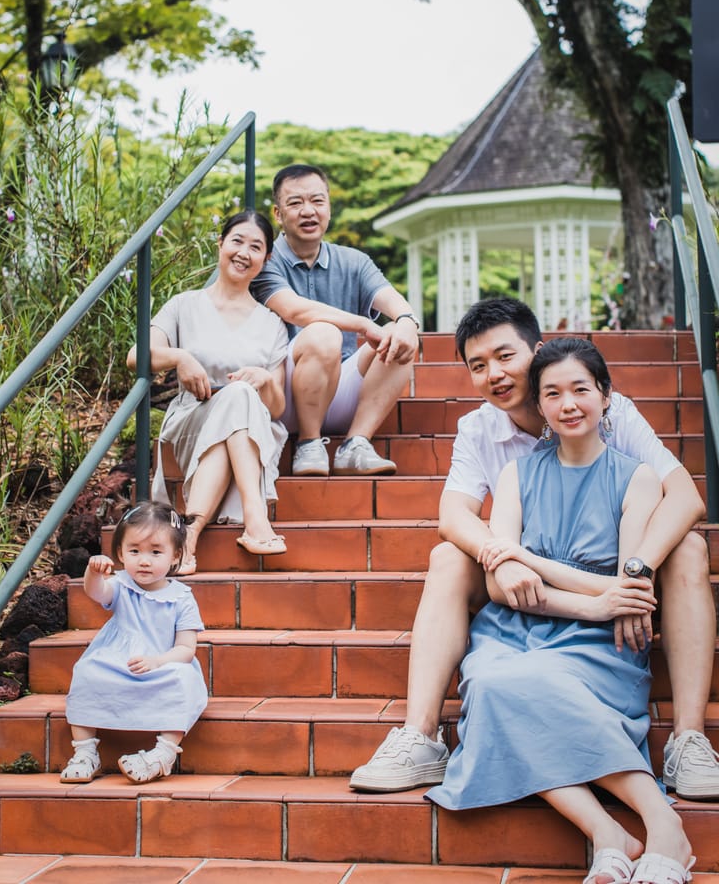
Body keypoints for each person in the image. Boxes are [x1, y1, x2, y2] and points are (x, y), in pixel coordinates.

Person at [351, 297, 719, 802]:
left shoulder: (607, 412)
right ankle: (420, 735)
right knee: (446, 558)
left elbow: (685, 497)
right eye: (477, 366)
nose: (494, 375)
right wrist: (499, 555)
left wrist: (637, 569)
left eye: (505, 356)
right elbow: (453, 515)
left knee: (691, 550)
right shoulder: (479, 428)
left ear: (538, 350)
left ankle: (689, 739)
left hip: (613, 570)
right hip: (524, 584)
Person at [426, 337, 694, 884]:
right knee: (494, 686)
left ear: (605, 396)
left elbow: (625, 585)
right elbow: (502, 587)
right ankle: (608, 832)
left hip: (600, 646)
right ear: (541, 405)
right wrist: (591, 601)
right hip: (513, 631)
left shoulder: (635, 478)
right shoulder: (517, 475)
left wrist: (528, 557)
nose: (568, 403)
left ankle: (664, 827)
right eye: (552, 393)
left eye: (580, 390)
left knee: (525, 690)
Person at [127, 210, 289, 573]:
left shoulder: (272, 323)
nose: (244, 252)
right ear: (220, 244)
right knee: (236, 398)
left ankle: (189, 535)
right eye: (237, 241)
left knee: (240, 397)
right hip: (192, 416)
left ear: (266, 259)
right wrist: (180, 357)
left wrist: (264, 379)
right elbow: (136, 355)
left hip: (252, 426)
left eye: (256, 246)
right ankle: (256, 518)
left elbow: (277, 408)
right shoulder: (185, 305)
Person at [250, 164, 420, 476]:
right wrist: (362, 324)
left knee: (398, 335)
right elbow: (294, 310)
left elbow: (393, 301)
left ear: (329, 206)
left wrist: (408, 322)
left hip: (342, 391)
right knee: (323, 333)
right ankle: (309, 444)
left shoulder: (354, 261)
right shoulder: (263, 258)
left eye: (317, 201)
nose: (308, 211)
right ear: (277, 213)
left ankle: (355, 444)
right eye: (295, 203)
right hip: (283, 396)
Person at [61, 502, 208, 785]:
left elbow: (187, 649)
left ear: (175, 554)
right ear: (120, 553)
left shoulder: (181, 598)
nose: (144, 560)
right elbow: (96, 592)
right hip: (118, 660)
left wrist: (158, 661)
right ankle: (85, 752)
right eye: (134, 551)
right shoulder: (120, 585)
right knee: (87, 671)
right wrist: (94, 572)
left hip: (163, 662)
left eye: (155, 552)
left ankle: (163, 753)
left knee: (184, 681)